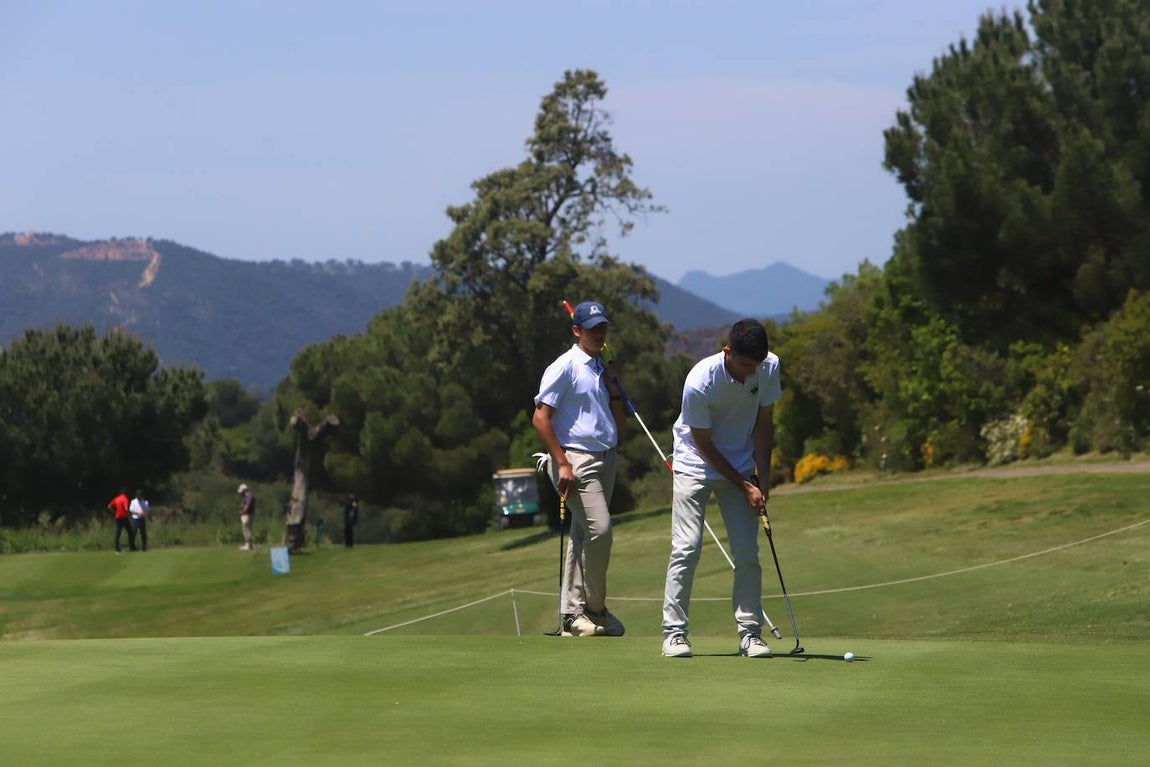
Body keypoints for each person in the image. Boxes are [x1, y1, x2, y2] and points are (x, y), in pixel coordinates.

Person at [661, 319, 782, 659]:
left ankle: (750, 635)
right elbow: (703, 445)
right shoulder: (700, 381)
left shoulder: (768, 367)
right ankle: (674, 634)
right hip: (694, 462)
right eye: (745, 365)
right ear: (727, 352)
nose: (751, 373)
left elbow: (764, 426)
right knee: (686, 548)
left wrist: (764, 481)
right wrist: (744, 485)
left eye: (756, 365)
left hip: (742, 465)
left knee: (747, 554)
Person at [532, 300, 628, 637]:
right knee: (600, 531)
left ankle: (573, 616)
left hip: (606, 456)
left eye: (603, 327)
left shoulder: (602, 367)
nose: (599, 334)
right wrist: (561, 462)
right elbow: (540, 418)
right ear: (577, 331)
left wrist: (615, 387)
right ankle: (595, 608)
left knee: (584, 532)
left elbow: (617, 421)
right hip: (576, 459)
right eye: (592, 329)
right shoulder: (566, 366)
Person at [108, 488, 134, 553]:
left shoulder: (116, 499)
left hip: (118, 517)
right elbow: (126, 508)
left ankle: (117, 547)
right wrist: (129, 515)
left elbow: (109, 506)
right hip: (124, 517)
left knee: (118, 532)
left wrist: (115, 512)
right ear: (125, 493)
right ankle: (132, 546)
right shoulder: (125, 499)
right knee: (130, 532)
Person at [237, 483, 255, 551]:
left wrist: (242, 512)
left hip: (247, 515)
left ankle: (248, 545)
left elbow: (247, 506)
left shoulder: (249, 496)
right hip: (246, 514)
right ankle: (248, 545)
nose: (240, 494)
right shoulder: (247, 496)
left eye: (241, 492)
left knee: (246, 529)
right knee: (247, 529)